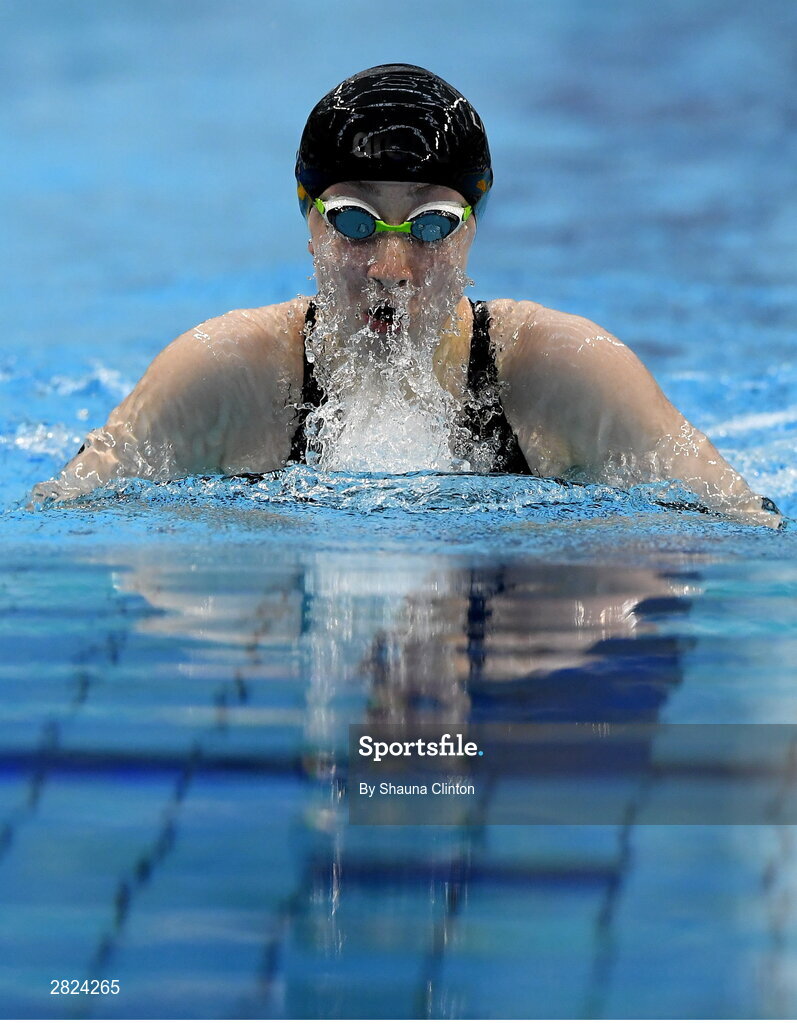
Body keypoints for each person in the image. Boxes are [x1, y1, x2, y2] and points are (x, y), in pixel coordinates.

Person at [34, 64, 781, 527]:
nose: (390, 266)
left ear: (472, 231)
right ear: (308, 222)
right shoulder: (224, 371)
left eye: (429, 225)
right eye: (354, 221)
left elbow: (743, 530)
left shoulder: (564, 369)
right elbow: (59, 524)